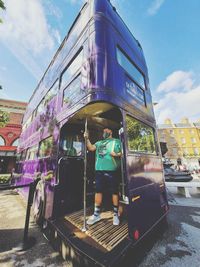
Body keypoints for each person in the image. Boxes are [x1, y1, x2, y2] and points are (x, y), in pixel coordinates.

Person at [84, 127, 122, 226]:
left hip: (112, 171)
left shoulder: (116, 141)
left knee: (114, 192)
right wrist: (87, 138)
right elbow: (91, 148)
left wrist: (117, 154)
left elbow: (124, 153)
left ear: (111, 132)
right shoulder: (99, 142)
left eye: (106, 130)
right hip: (99, 171)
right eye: (103, 131)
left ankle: (115, 214)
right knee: (98, 191)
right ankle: (96, 214)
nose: (104, 132)